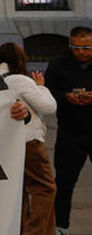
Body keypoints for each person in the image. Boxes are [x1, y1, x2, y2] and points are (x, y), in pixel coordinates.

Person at [0, 42, 58, 235]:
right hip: (29, 140)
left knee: (17, 192)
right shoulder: (20, 80)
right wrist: (41, 87)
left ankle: (20, 230)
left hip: (4, 143)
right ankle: (36, 231)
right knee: (44, 188)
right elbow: (48, 107)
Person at [45, 26, 92, 235]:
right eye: (76, 47)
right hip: (70, 131)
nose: (81, 52)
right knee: (64, 181)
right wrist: (65, 96)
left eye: (86, 48)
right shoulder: (58, 64)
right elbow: (46, 91)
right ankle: (60, 226)